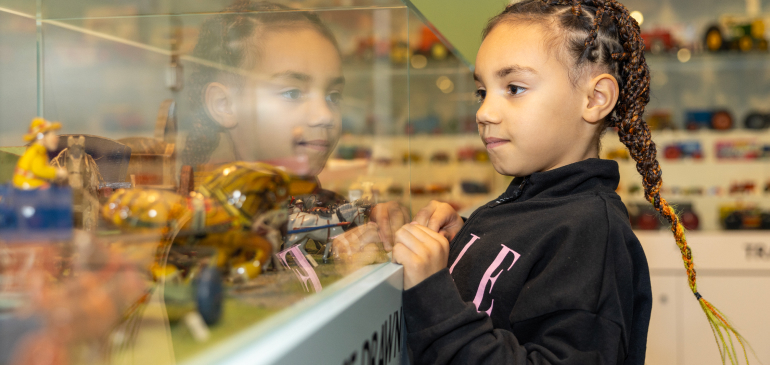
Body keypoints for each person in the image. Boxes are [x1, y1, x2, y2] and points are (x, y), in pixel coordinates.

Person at [389, 1, 747, 364]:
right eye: (482, 92)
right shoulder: (533, 201)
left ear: (595, 98)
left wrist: (433, 293)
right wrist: (464, 241)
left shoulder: (593, 235)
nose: (483, 112)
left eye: (514, 88)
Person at [181, 0, 344, 179]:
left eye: (333, 97)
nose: (325, 115)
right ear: (224, 104)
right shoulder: (210, 205)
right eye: (293, 93)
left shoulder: (315, 199)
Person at [13, 117, 67, 190]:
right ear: (41, 137)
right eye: (52, 134)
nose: (55, 137)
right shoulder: (37, 151)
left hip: (26, 180)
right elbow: (38, 170)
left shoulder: (39, 150)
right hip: (23, 182)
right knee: (45, 187)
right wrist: (56, 172)